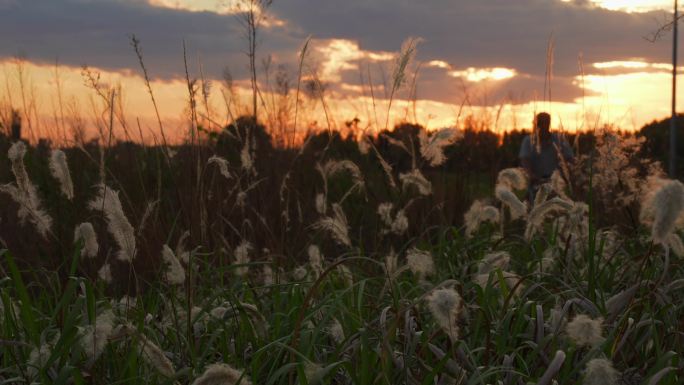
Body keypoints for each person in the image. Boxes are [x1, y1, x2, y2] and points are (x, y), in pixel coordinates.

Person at [519, 112, 573, 201]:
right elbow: (525, 161)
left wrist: (570, 173)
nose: (544, 126)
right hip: (536, 183)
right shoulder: (528, 141)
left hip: (556, 183)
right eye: (541, 123)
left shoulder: (559, 139)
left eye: (546, 123)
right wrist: (531, 176)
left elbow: (570, 158)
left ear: (549, 123)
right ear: (536, 124)